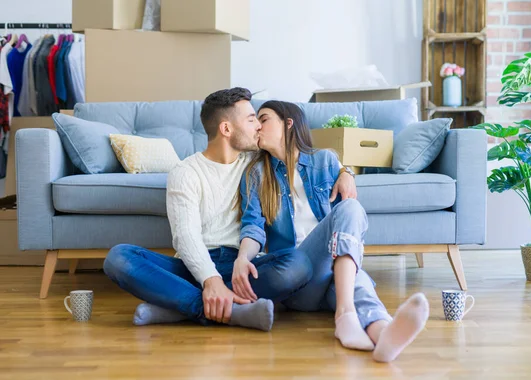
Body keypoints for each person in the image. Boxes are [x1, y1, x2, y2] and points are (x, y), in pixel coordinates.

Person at [103, 88, 358, 331]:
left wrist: (346, 172)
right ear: (226, 129)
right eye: (251, 120)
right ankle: (225, 311)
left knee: (298, 264)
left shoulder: (257, 164)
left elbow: (302, 158)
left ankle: (179, 307)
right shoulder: (186, 172)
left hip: (243, 267)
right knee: (119, 257)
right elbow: (186, 237)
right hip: (194, 267)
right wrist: (211, 281)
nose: (258, 126)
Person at [235, 100, 430, 362]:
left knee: (353, 261)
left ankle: (383, 335)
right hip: (296, 279)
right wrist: (242, 259)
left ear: (288, 123)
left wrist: (346, 172)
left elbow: (347, 224)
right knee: (349, 214)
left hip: (333, 278)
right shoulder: (255, 174)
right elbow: (253, 228)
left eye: (265, 119)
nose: (257, 126)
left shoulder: (325, 161)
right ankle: (345, 316)